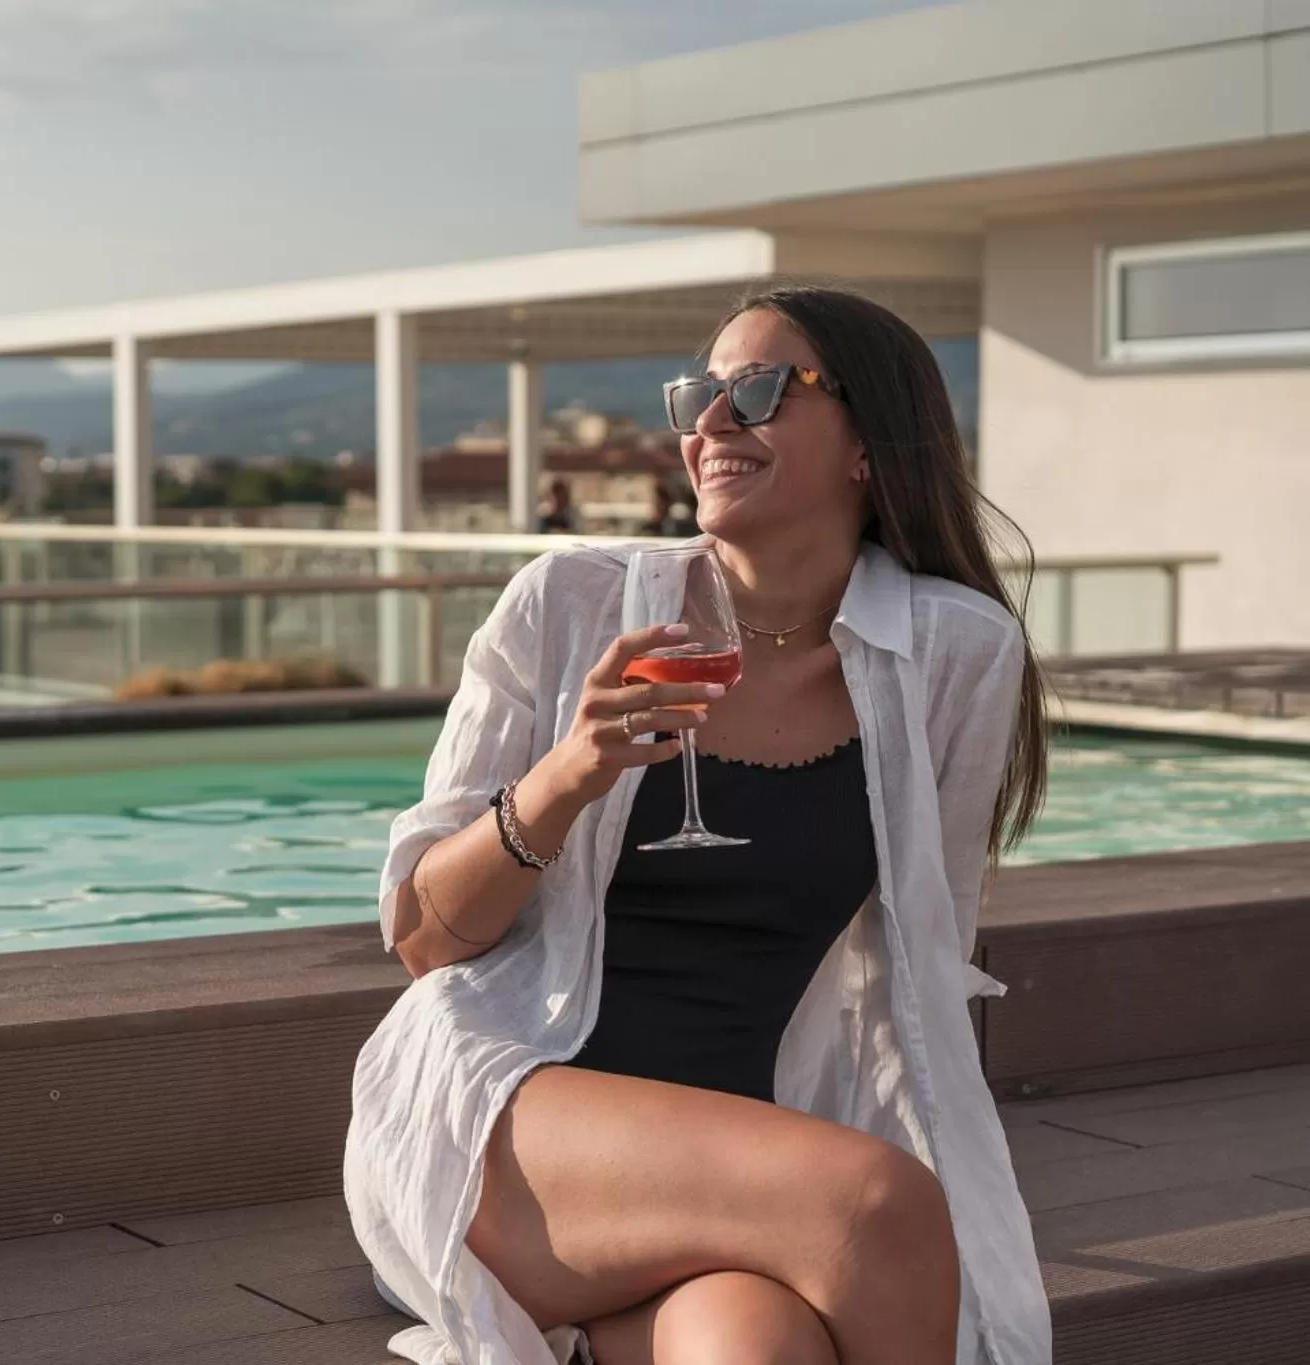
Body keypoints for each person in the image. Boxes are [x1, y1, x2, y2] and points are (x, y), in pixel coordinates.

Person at [344, 286, 1052, 1365]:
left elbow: (920, 955)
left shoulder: (954, 652)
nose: (709, 423)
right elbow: (423, 939)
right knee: (874, 1208)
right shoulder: (570, 600)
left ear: (871, 442)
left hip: (734, 1154)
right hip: (506, 1113)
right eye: (698, 395)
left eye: (758, 390)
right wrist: (569, 772)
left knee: (760, 1348)